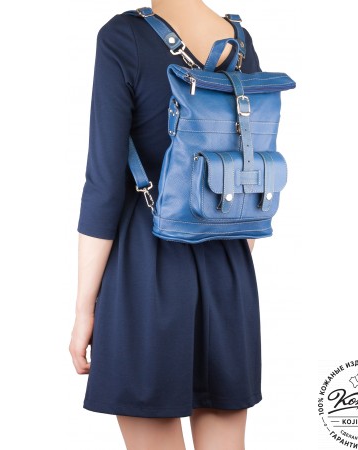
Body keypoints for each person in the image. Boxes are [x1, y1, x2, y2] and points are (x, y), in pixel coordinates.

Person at [69, 1, 263, 448]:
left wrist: (84, 310)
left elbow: (103, 185)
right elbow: (249, 175)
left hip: (146, 266)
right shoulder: (240, 42)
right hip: (230, 268)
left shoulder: (123, 37)